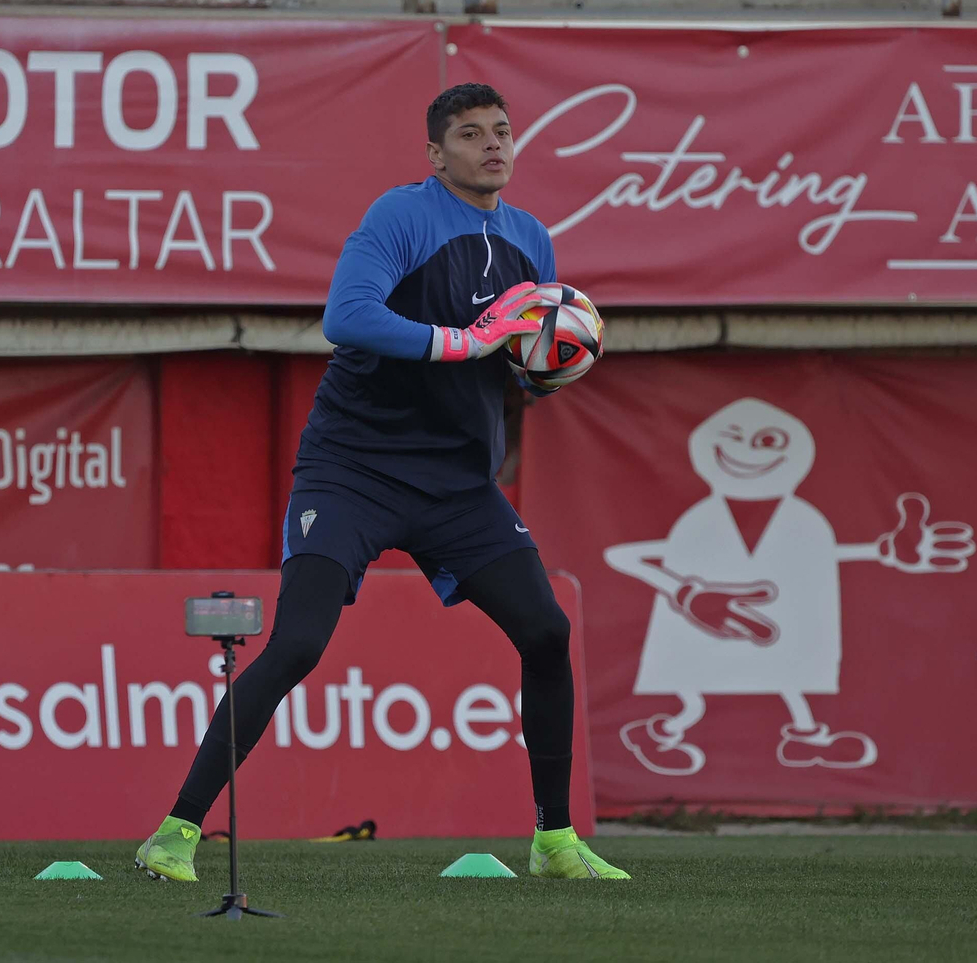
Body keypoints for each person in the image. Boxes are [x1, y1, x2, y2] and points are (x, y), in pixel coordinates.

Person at [134, 83, 629, 881]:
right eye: (470, 135)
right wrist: (464, 343)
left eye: (502, 131)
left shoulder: (533, 238)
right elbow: (347, 315)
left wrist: (545, 374)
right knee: (296, 644)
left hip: (458, 485)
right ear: (437, 154)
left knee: (546, 632)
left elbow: (516, 354)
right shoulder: (402, 216)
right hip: (353, 471)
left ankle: (554, 843)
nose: (492, 145)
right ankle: (174, 834)